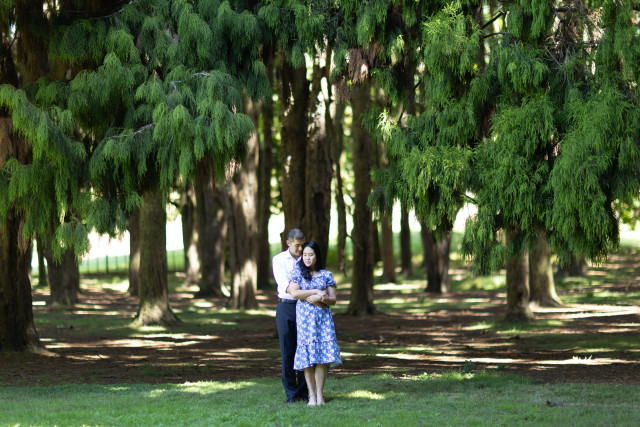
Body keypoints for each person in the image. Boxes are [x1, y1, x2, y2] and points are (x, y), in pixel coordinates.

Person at [287, 241, 341, 406]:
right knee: (308, 357)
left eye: (310, 255)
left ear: (317, 256)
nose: (307, 258)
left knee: (322, 358)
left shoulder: (326, 275)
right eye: (304, 255)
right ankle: (311, 395)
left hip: (323, 320)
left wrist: (322, 298)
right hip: (305, 321)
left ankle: (320, 396)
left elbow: (333, 299)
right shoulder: (298, 272)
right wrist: (317, 291)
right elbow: (294, 293)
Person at [273, 228, 308, 404]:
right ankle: (291, 393)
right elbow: (287, 286)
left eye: (303, 245)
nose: (301, 249)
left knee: (304, 349)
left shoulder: (307, 258)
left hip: (304, 307)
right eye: (297, 245)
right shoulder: (279, 260)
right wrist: (302, 290)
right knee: (287, 351)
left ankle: (304, 391)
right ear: (288, 243)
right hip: (285, 307)